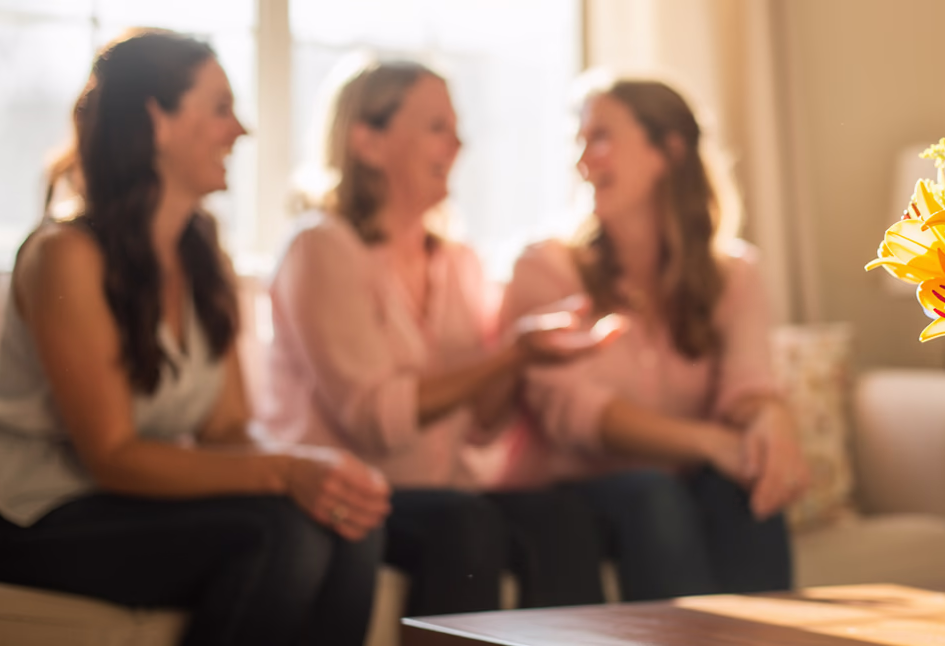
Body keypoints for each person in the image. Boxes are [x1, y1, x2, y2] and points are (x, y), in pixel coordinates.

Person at [0, 29, 387, 646]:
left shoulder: (205, 256)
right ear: (158, 120)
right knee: (277, 531)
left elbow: (226, 430)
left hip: (111, 507)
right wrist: (284, 472)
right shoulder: (64, 254)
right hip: (15, 515)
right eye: (221, 109)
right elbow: (112, 454)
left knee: (345, 523)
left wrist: (315, 474)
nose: (242, 131)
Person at [261, 58, 614, 615]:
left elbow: (478, 425)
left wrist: (528, 358)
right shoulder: (320, 249)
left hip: (446, 492)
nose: (458, 145)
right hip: (355, 495)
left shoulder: (460, 261)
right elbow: (375, 419)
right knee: (463, 521)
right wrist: (511, 354)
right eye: (437, 127)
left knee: (560, 516)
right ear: (368, 142)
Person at [491, 77, 809, 601]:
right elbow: (574, 412)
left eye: (600, 138)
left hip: (684, 489)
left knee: (741, 482)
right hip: (571, 493)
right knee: (655, 494)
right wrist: (710, 442)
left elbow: (747, 383)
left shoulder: (735, 273)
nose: (581, 162)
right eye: (578, 142)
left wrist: (772, 421)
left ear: (668, 151)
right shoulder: (546, 266)